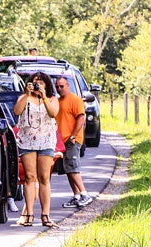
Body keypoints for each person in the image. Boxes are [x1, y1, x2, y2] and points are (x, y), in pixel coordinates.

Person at [12, 71, 59, 227]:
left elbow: (53, 113)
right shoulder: (24, 98)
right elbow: (17, 111)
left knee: (44, 177)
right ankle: (29, 214)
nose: (38, 84)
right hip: (27, 141)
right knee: (30, 177)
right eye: (35, 82)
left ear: (46, 84)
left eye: (41, 82)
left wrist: (44, 96)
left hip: (46, 141)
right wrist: (27, 94)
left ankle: (45, 215)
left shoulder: (52, 99)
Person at [55, 76, 93, 208]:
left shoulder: (75, 100)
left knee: (73, 167)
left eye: (62, 86)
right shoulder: (57, 101)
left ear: (67, 86)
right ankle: (76, 196)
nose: (59, 88)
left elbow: (81, 118)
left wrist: (73, 135)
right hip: (61, 141)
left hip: (72, 140)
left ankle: (85, 194)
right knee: (67, 169)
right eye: (57, 86)